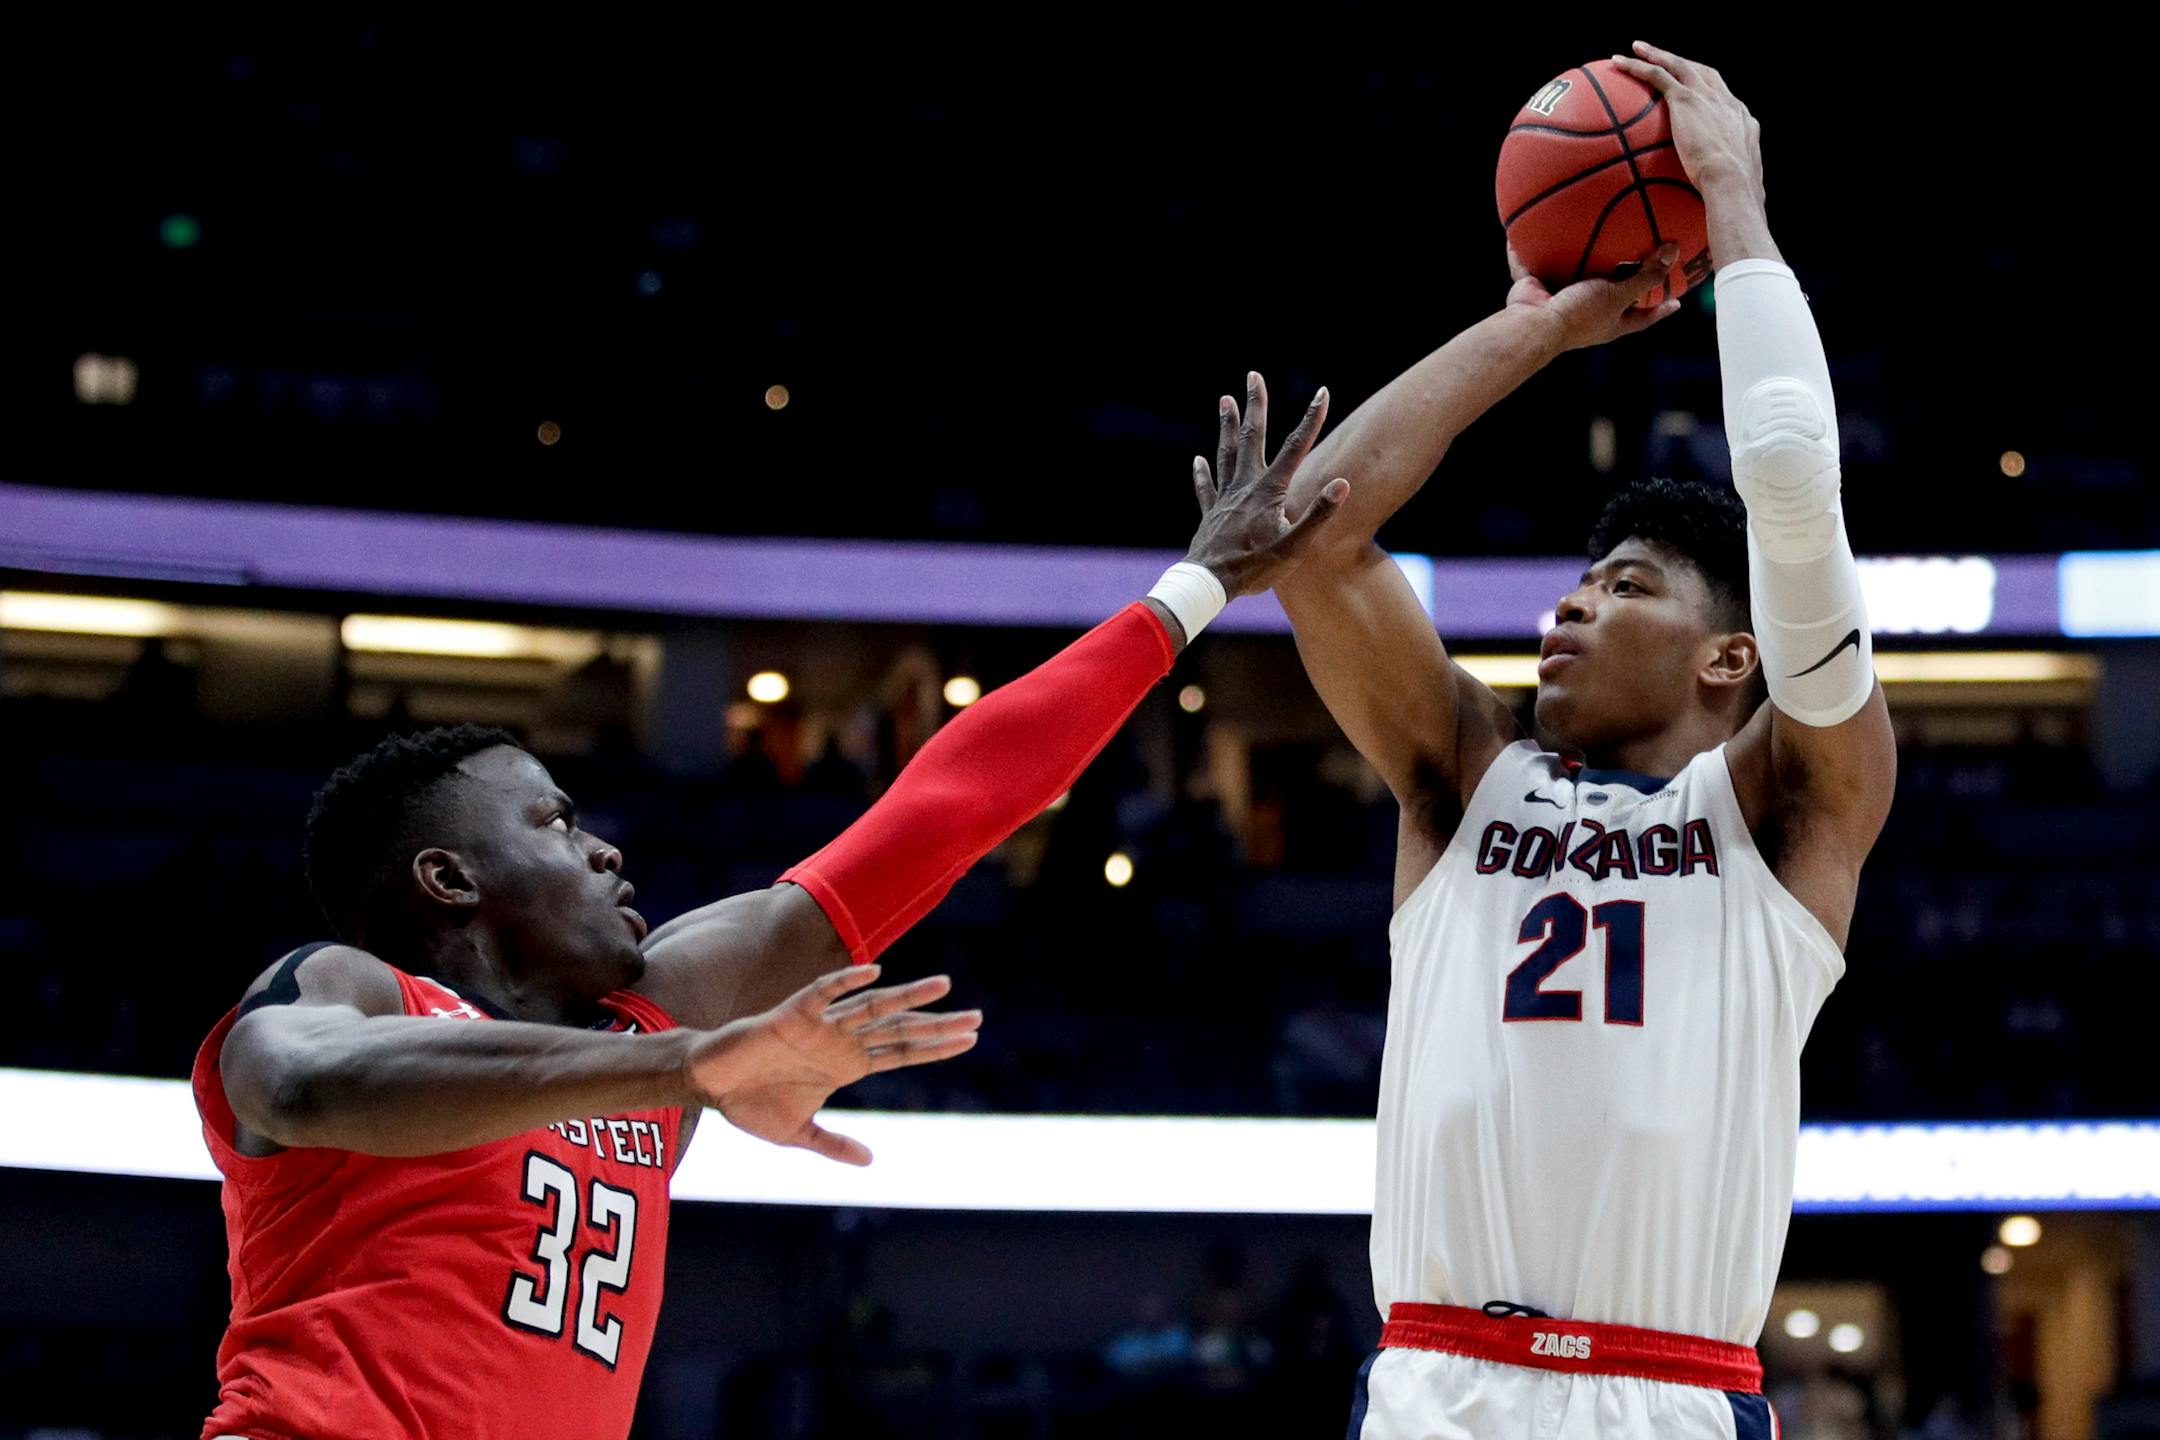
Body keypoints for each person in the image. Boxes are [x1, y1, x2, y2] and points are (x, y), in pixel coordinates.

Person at [192, 373, 1349, 1440]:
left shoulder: (660, 1011)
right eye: (551, 824)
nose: (603, 850)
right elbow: (306, 1086)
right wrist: (694, 1070)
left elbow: (947, 807)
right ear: (449, 879)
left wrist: (1190, 594)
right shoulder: (348, 987)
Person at [1248, 42, 1895, 1438]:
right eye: (1584, 581)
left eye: (1628, 588)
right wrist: (1535, 324)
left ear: (1738, 657)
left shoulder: (1791, 815)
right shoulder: (1464, 781)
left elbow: (1785, 482)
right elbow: (1310, 531)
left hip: (1666, 1397)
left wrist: (1734, 209)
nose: (1572, 604)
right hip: (1433, 1387)